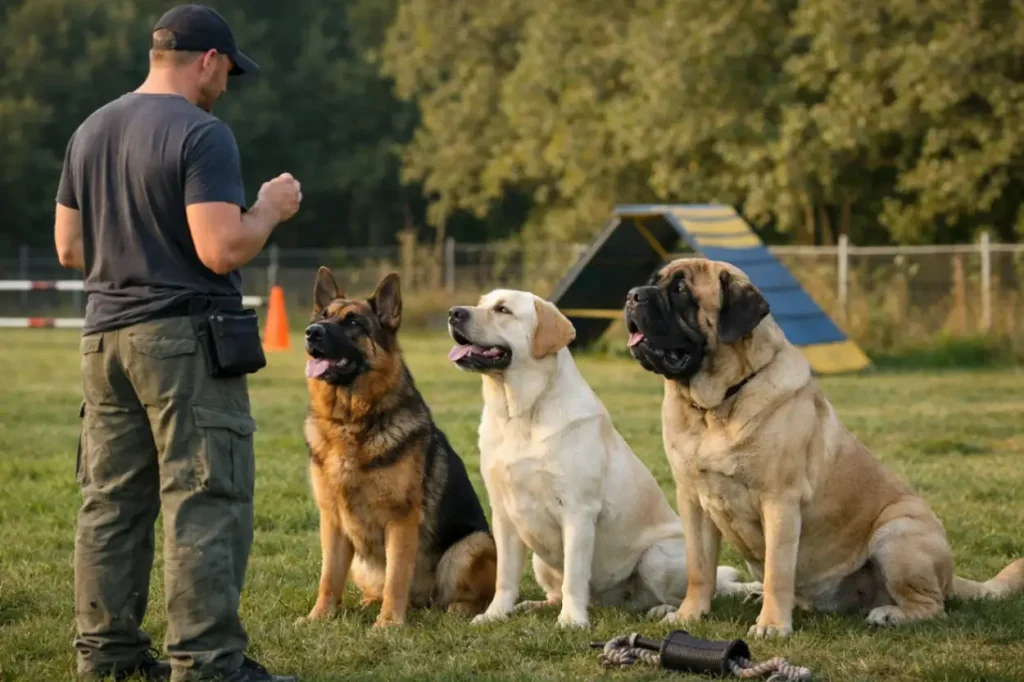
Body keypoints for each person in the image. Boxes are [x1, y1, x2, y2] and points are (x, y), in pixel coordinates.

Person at [54, 5, 301, 681]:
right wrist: (269, 209)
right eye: (228, 72)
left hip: (103, 339)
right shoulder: (203, 133)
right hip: (182, 341)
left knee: (110, 500)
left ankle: (107, 657)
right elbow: (221, 248)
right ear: (208, 60)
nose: (226, 86)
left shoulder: (91, 129)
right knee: (204, 498)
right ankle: (207, 664)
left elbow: (69, 247)